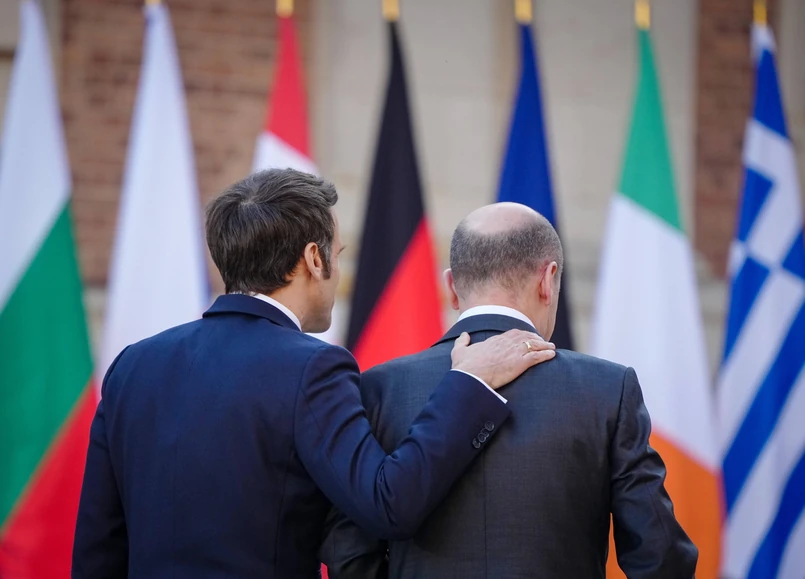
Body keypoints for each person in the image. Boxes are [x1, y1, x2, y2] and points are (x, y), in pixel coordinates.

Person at [72, 170, 556, 579]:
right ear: (312, 258)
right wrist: (469, 384)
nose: (338, 272)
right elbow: (387, 503)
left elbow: (98, 545)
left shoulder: (132, 365)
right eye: (338, 255)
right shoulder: (311, 367)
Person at [321, 202, 698, 578]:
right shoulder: (608, 389)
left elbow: (349, 556)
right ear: (548, 279)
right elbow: (661, 557)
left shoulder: (377, 388)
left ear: (451, 287)